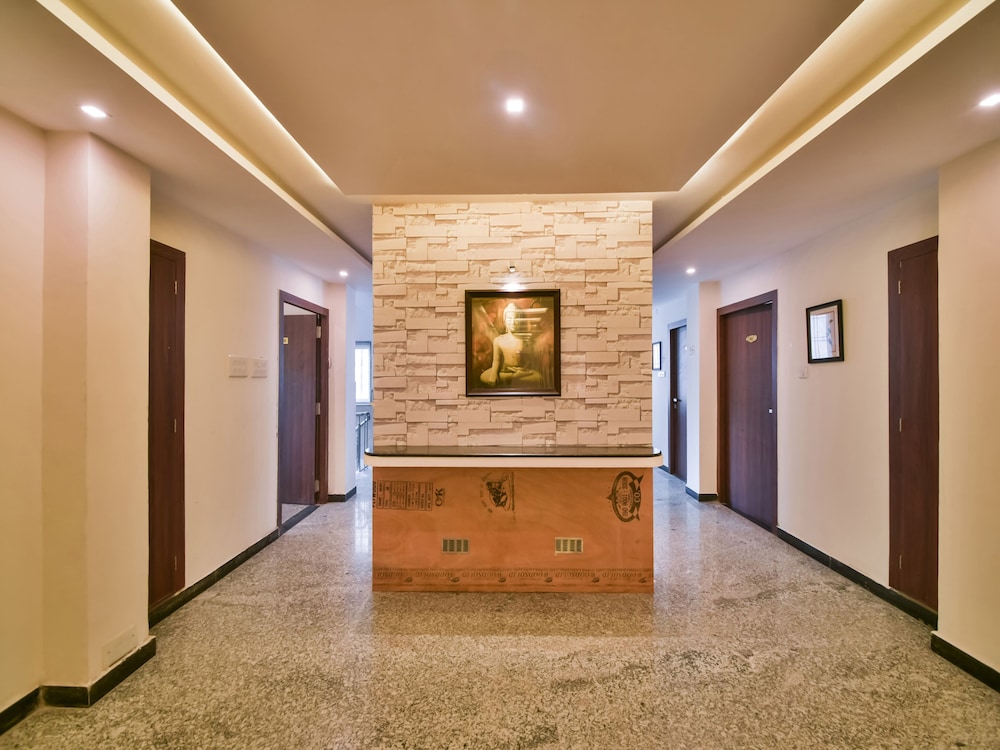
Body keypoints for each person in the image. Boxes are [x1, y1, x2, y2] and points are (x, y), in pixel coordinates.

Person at [480, 303, 542, 387]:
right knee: (484, 376)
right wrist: (494, 374)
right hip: (505, 371)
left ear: (520, 321)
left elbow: (530, 361)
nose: (513, 322)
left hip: (523, 370)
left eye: (516, 318)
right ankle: (515, 376)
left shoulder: (525, 340)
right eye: (509, 318)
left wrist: (524, 367)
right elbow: (496, 361)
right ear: (504, 321)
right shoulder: (499, 340)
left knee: (538, 377)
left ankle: (515, 376)